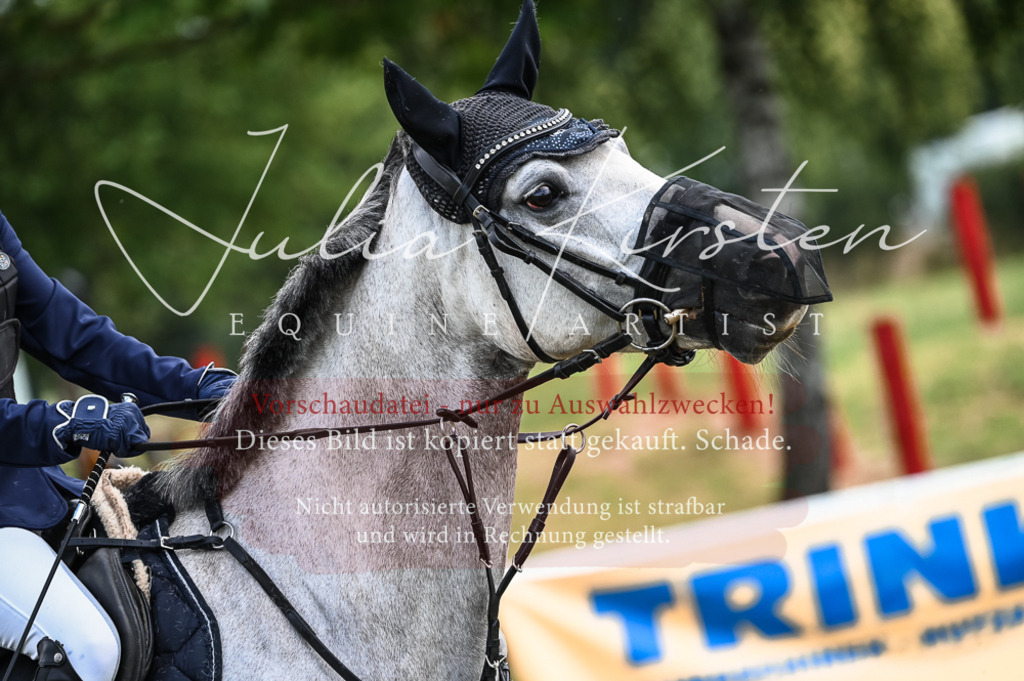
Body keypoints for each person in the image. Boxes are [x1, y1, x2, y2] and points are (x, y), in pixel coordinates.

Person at [0, 209, 236, 681]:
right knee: (88, 647)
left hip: (22, 493)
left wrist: (200, 389)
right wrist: (68, 422)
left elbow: (76, 337)